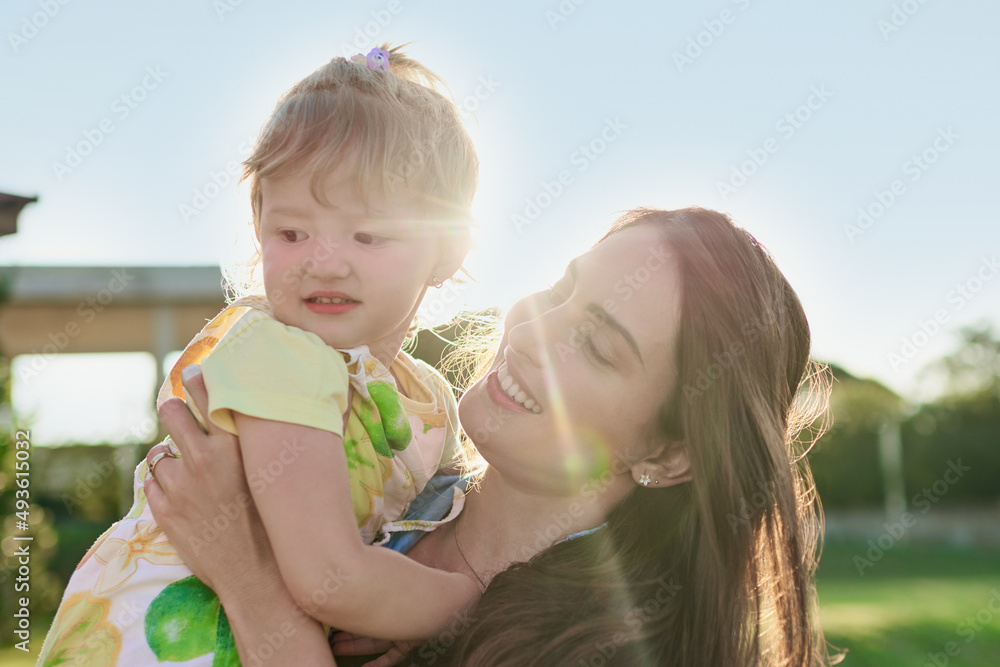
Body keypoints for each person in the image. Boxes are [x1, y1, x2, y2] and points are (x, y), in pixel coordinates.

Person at [144, 207, 836, 666]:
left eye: (597, 345)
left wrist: (250, 582)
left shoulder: (612, 648)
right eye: (563, 287)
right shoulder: (402, 481)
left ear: (670, 452)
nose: (535, 329)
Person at [36, 44, 485, 666]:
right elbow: (330, 579)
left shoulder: (430, 399)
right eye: (292, 233)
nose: (323, 260)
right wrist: (478, 602)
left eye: (368, 234)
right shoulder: (277, 350)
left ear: (448, 247)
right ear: (259, 225)